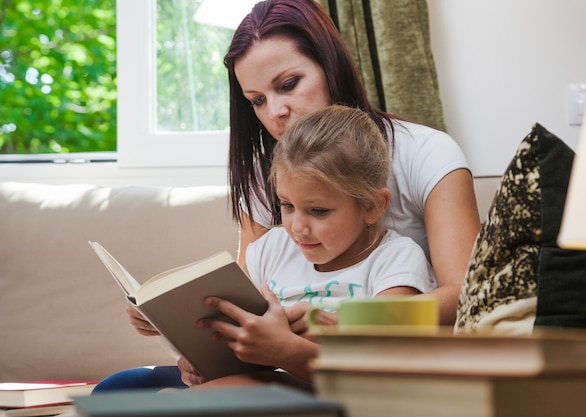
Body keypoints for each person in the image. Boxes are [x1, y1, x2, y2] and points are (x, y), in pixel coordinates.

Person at [95, 0, 480, 392]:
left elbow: (466, 296)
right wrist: (184, 330)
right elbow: (250, 298)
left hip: (360, 367)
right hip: (275, 368)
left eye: (288, 84)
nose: (275, 112)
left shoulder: (427, 153)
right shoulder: (273, 173)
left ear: (331, 67)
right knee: (122, 387)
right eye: (257, 100)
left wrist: (352, 319)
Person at [96, 105, 437, 392]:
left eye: (318, 211)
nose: (298, 227)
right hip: (254, 379)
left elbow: (386, 371)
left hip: (323, 388)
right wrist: (178, 335)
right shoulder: (273, 248)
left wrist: (287, 352)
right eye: (287, 206)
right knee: (120, 386)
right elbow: (227, 328)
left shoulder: (396, 260)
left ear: (373, 206)